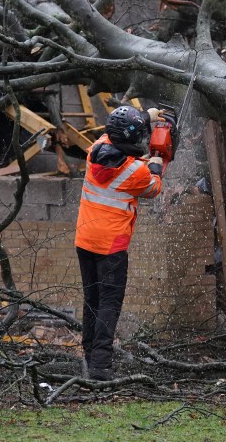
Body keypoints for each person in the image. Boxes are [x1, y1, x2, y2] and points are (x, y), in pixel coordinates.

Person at [73, 104, 171, 381]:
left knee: (92, 299)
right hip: (111, 247)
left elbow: (119, 136)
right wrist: (158, 163)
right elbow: (153, 188)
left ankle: (90, 356)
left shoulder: (96, 149)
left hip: (85, 239)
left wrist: (146, 117)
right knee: (109, 303)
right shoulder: (135, 173)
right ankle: (101, 366)